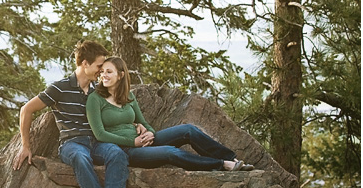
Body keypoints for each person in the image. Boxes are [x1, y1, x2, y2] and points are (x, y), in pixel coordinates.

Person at [13, 41, 131, 188]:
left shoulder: (97, 91)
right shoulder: (60, 88)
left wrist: (138, 126)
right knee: (80, 158)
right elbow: (26, 110)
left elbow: (118, 113)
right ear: (85, 63)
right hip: (71, 144)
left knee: (117, 154)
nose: (102, 72)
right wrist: (25, 145)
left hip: (96, 142)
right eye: (99, 66)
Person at [86, 56, 254, 171]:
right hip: (126, 151)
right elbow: (100, 134)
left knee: (188, 129)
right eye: (102, 72)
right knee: (170, 152)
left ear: (121, 75)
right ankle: (222, 165)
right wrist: (133, 141)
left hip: (143, 142)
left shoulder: (128, 95)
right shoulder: (95, 99)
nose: (103, 76)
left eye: (108, 72)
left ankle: (232, 159)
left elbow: (143, 121)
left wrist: (149, 132)